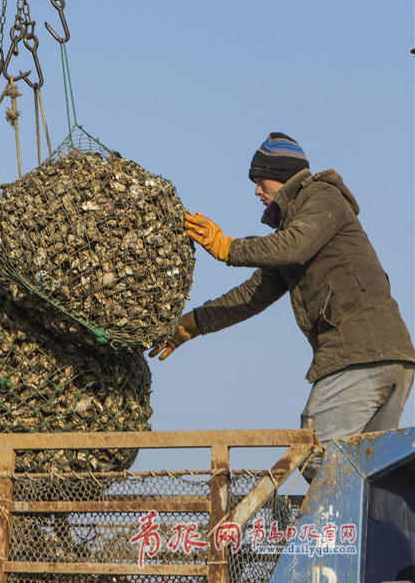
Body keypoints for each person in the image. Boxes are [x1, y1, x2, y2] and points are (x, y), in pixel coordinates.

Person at [150, 134, 414, 480]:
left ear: (285, 175)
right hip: (388, 359)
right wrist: (194, 324)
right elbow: (254, 293)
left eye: (261, 182)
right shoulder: (298, 228)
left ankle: (327, 534)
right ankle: (364, 534)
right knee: (367, 473)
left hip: (359, 355)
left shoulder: (323, 197)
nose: (257, 192)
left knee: (315, 448)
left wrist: (228, 247)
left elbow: (292, 245)